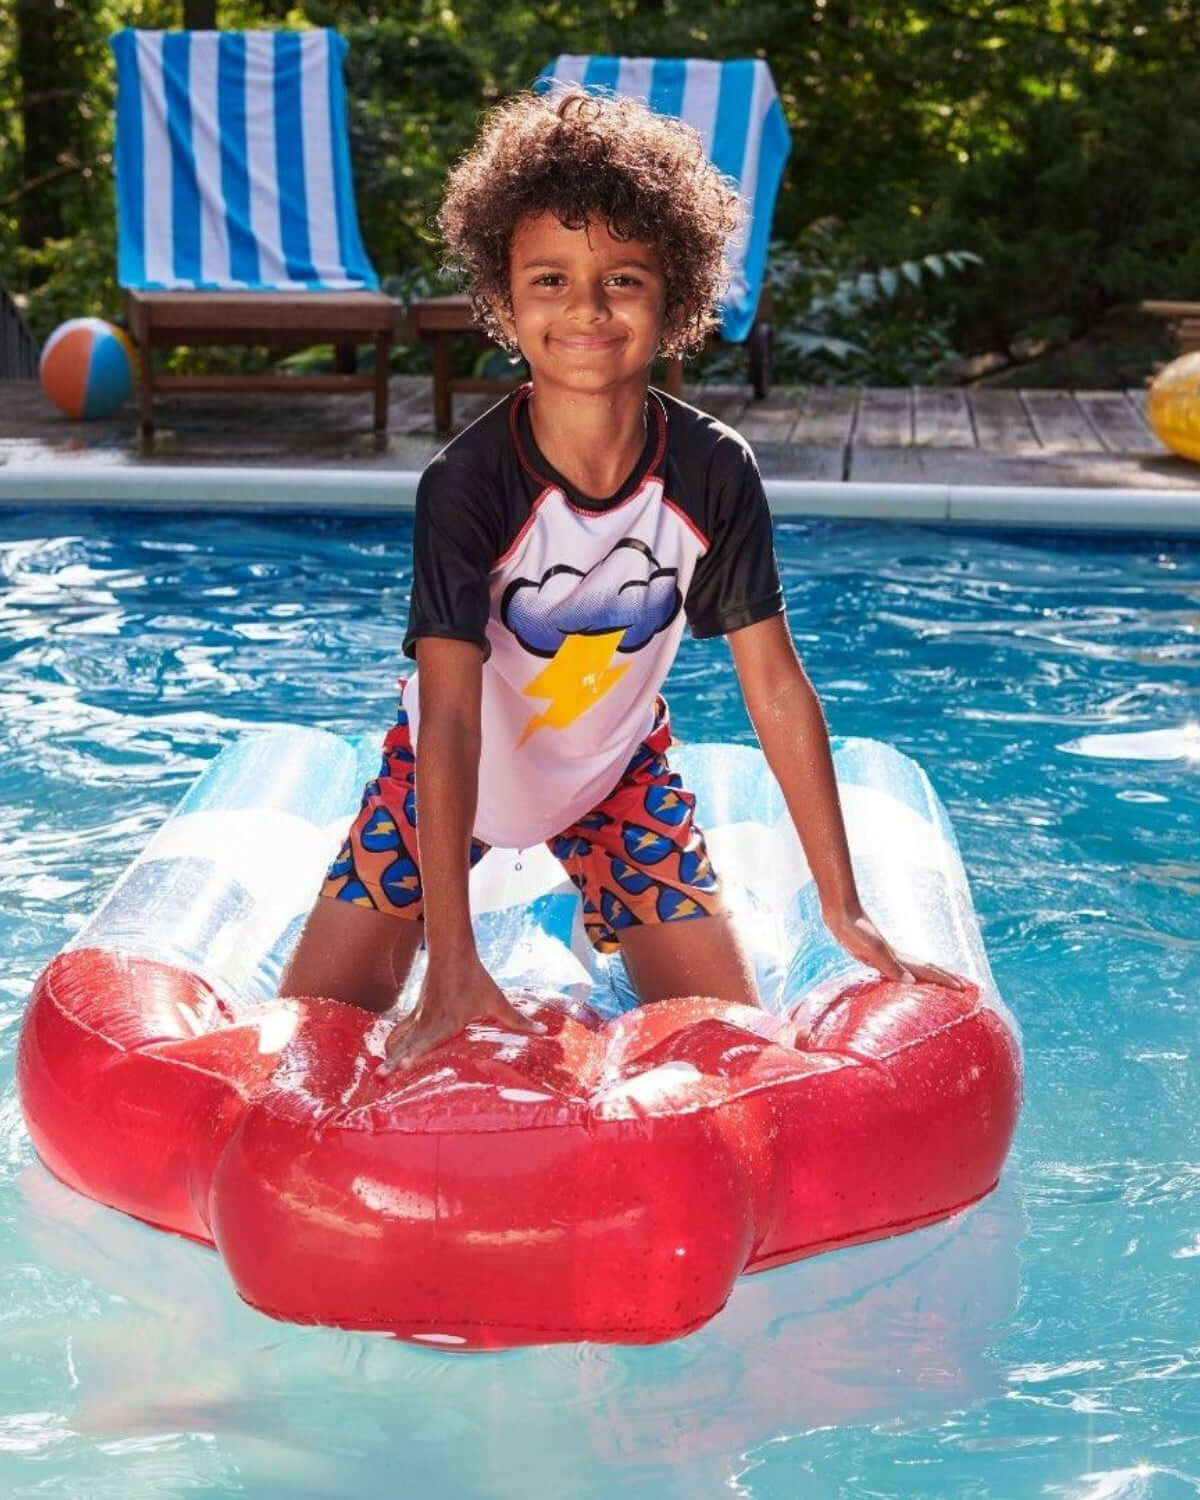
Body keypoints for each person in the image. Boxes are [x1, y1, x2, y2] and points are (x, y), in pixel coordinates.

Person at [279, 87, 963, 1072]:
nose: (587, 310)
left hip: (616, 778)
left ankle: (597, 938)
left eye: (624, 279)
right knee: (310, 1032)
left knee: (728, 1041)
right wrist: (453, 961)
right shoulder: (468, 484)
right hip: (448, 784)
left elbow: (775, 684)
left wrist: (843, 907)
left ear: (674, 297)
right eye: (550, 279)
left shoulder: (711, 471)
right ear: (504, 300)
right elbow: (453, 718)